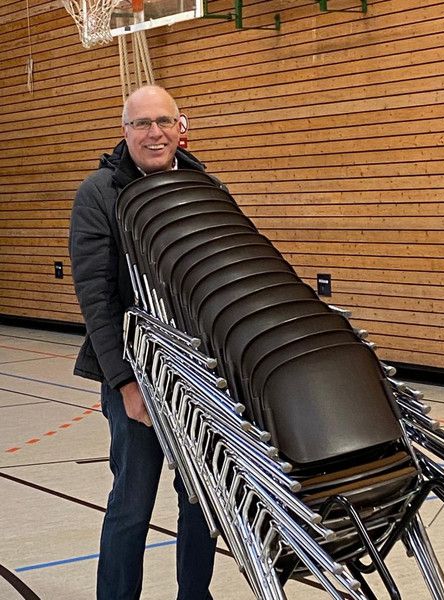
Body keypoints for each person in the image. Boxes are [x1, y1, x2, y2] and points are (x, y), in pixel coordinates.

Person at [69, 85, 223, 600]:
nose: (154, 133)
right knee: (132, 505)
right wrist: (126, 383)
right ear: (125, 131)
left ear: (181, 127)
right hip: (134, 374)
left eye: (164, 122)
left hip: (200, 376)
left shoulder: (206, 187)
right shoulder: (99, 193)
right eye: (141, 123)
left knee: (202, 502)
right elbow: (96, 298)